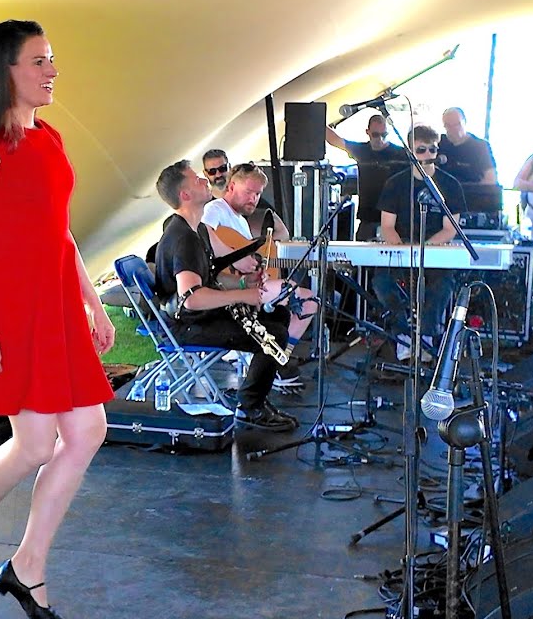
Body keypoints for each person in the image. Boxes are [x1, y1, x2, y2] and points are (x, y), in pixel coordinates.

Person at [0, 20, 114, 619]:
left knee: (87, 430)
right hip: (6, 305)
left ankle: (29, 562)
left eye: (52, 58)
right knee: (38, 443)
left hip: (57, 301)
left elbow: (59, 231)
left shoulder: (51, 137)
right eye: (38, 60)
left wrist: (92, 302)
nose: (51, 69)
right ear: (4, 70)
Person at [154, 160, 304, 431]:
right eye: (197, 179)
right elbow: (191, 297)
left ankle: (255, 397)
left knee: (280, 315)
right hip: (187, 325)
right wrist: (243, 296)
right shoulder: (184, 237)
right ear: (185, 195)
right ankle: (251, 407)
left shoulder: (196, 229)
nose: (205, 181)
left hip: (197, 317)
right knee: (275, 335)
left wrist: (243, 281)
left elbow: (208, 278)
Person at [202, 163, 318, 386]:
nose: (253, 199)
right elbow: (202, 234)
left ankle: (278, 359)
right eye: (249, 192)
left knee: (310, 301)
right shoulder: (216, 209)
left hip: (249, 284)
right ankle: (272, 361)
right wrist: (234, 258)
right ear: (232, 186)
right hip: (229, 287)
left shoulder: (241, 221)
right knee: (297, 294)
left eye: (257, 194)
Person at [373, 124, 468, 362]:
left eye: (432, 150)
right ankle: (402, 335)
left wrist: (425, 249)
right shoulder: (395, 183)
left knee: (442, 284)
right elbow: (387, 226)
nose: (427, 156)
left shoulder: (450, 185)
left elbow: (450, 229)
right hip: (401, 246)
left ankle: (426, 337)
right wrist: (404, 250)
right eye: (421, 150)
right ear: (410, 152)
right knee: (382, 281)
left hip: (435, 248)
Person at [326, 114, 410, 239]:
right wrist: (316, 117)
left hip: (394, 220)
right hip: (368, 218)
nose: (380, 139)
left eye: (384, 135)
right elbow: (335, 140)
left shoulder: (401, 153)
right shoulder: (361, 150)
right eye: (376, 135)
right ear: (368, 132)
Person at [438, 107, 498, 185]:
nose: (453, 129)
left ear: (465, 122)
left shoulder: (481, 146)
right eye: (448, 125)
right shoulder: (439, 143)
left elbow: (491, 179)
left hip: (472, 193)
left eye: (457, 124)